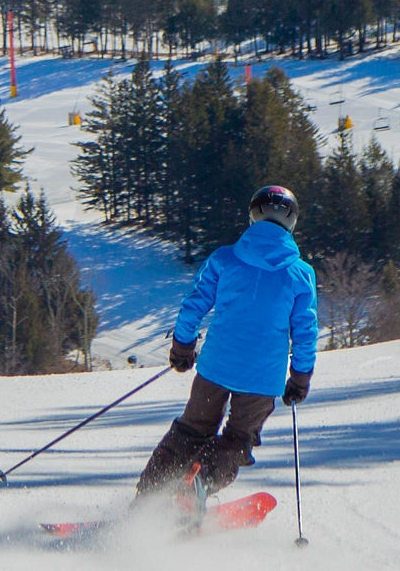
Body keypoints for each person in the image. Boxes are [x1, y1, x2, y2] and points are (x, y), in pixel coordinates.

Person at [135, 186, 320, 512]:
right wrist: (300, 378)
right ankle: (199, 483)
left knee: (189, 432)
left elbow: (193, 306)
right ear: (292, 224)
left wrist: (182, 347)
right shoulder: (300, 275)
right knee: (236, 440)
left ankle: (146, 501)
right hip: (262, 380)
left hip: (216, 368)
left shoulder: (225, 259)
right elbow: (305, 332)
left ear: (252, 216)